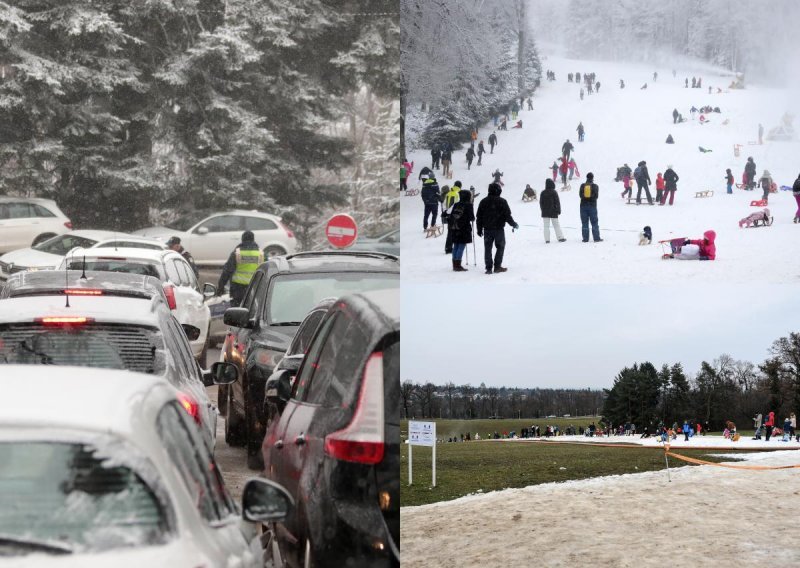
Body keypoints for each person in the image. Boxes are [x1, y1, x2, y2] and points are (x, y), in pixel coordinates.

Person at [476, 182, 518, 274]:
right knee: (500, 247)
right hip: (498, 229)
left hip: (487, 229)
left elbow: (479, 217)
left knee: (488, 248)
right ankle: (497, 266)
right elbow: (507, 216)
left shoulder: (483, 201)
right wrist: (513, 224)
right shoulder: (502, 201)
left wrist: (479, 229)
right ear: (498, 191)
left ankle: (488, 268)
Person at [217, 231, 263, 307]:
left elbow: (227, 271)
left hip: (238, 289)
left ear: (242, 239)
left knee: (238, 312)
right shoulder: (261, 254)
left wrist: (220, 287)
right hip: (256, 288)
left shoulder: (237, 253)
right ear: (253, 239)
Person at [449, 186, 475, 272]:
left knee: (456, 245)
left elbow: (452, 215)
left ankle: (455, 264)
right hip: (464, 228)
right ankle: (458, 265)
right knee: (461, 245)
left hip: (455, 227)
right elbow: (472, 218)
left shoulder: (456, 204)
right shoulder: (469, 205)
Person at [539, 179, 566, 244]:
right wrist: (558, 210)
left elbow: (541, 203)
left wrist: (542, 210)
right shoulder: (554, 192)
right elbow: (557, 202)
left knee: (546, 226)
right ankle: (560, 238)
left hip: (545, 212)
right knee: (556, 225)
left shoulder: (543, 192)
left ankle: (547, 240)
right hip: (553, 211)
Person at [579, 172, 602, 243]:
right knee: (594, 222)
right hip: (592, 206)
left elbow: (580, 195)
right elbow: (596, 197)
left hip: (583, 206)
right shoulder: (595, 186)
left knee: (584, 222)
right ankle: (596, 238)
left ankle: (585, 239)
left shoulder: (582, 185)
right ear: (592, 178)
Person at [442, 181, 462, 254]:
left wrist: (445, 211)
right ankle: (455, 247)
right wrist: (449, 211)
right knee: (457, 231)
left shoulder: (449, 193)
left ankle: (448, 247)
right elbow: (455, 205)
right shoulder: (458, 193)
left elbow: (444, 203)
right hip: (455, 215)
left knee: (450, 232)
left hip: (448, 215)